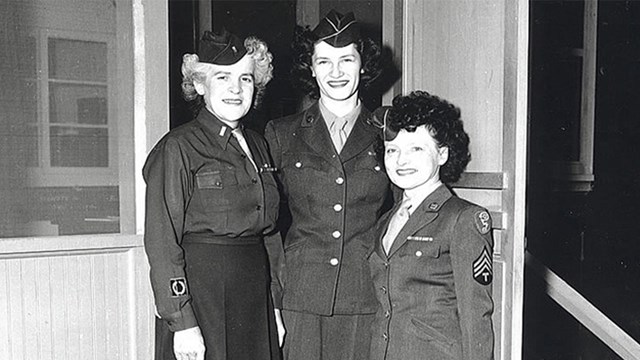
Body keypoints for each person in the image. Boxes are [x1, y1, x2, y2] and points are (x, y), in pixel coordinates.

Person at [143, 29, 285, 360]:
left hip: (254, 295)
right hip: (202, 295)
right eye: (223, 77)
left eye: (246, 79)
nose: (236, 89)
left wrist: (275, 305)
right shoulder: (178, 147)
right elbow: (162, 241)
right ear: (201, 85)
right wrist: (181, 321)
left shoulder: (259, 145)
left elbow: (270, 235)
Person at [264, 9, 391, 360]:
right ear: (311, 67)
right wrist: (273, 299)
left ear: (363, 65)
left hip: (365, 295)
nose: (336, 72)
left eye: (346, 60)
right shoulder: (281, 133)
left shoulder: (388, 132)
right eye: (324, 61)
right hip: (299, 297)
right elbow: (268, 228)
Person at [368, 91, 495, 360]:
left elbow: (476, 316)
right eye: (393, 150)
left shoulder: (463, 219)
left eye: (416, 148)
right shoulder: (386, 220)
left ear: (442, 155)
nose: (401, 160)